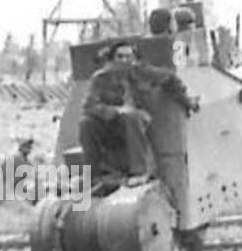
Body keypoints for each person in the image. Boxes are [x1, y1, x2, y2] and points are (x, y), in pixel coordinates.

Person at [78, 42, 198, 183]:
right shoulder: (101, 78)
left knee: (133, 116)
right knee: (86, 123)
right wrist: (116, 111)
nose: (124, 61)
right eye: (120, 57)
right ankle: (93, 174)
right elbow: (89, 106)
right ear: (112, 59)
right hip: (110, 123)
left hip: (136, 122)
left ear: (134, 58)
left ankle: (139, 172)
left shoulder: (141, 72)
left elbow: (170, 78)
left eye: (128, 57)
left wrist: (186, 100)